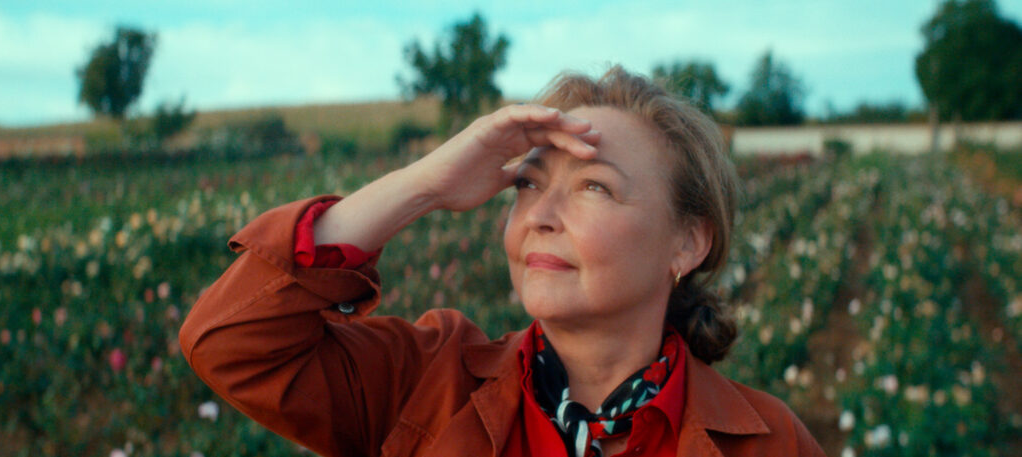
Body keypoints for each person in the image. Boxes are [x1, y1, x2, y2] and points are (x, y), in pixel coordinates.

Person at [180, 66, 824, 457]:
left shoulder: (771, 442)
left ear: (688, 242)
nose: (541, 214)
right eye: (528, 184)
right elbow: (230, 341)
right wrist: (424, 184)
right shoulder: (425, 387)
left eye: (594, 187)